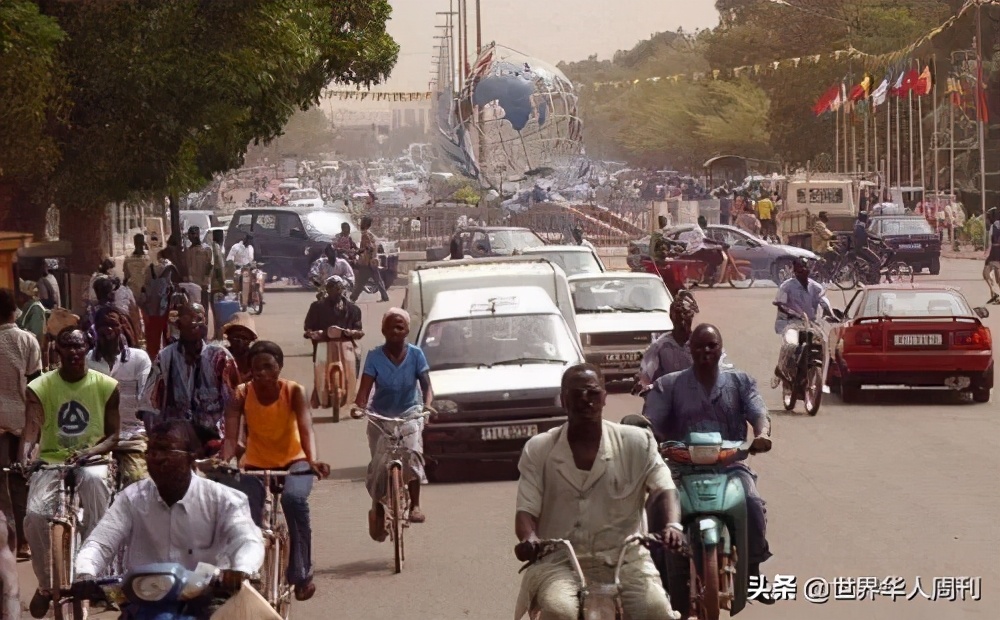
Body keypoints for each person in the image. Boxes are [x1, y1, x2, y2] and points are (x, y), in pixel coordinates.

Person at [513, 364, 685, 620]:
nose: (585, 400)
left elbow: (663, 488)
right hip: (561, 562)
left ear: (604, 397)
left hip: (627, 559)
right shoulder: (539, 449)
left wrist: (673, 525)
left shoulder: (636, 442)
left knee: (656, 609)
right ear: (563, 399)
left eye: (593, 393)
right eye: (576, 393)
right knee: (559, 611)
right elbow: (526, 510)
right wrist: (530, 539)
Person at [75, 419, 264, 618]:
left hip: (208, 603)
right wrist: (86, 573)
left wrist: (240, 570)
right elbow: (100, 543)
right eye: (151, 451)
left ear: (192, 457)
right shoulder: (131, 499)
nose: (156, 458)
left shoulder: (224, 500)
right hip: (144, 602)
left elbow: (247, 540)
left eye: (166, 450)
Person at [641, 324, 774, 597]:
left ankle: (753, 572)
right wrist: (647, 438)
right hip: (680, 468)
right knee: (656, 508)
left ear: (720, 349)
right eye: (700, 346)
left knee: (752, 503)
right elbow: (650, 422)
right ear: (690, 350)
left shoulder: (740, 382)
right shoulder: (669, 385)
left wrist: (762, 434)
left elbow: (758, 412)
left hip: (730, 465)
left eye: (712, 346)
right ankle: (654, 576)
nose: (706, 351)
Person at [22, 327, 120, 618]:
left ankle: (93, 571)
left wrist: (92, 452)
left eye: (79, 346)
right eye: (68, 347)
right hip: (52, 461)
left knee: (94, 486)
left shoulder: (106, 385)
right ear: (58, 350)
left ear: (88, 347)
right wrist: (26, 457)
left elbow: (114, 436)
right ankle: (44, 586)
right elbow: (31, 431)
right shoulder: (40, 386)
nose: (74, 352)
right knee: (35, 516)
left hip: (92, 461)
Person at [221, 342, 330, 602]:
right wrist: (224, 461)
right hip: (256, 464)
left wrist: (313, 460)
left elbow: (306, 427)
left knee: (294, 501)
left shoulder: (293, 391)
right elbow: (231, 435)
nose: (261, 373)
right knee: (245, 512)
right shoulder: (240, 394)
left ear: (279, 368)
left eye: (268, 367)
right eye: (256, 368)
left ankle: (302, 573)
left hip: (296, 462)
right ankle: (248, 568)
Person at [351, 308, 432, 538]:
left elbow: (427, 387)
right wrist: (359, 408)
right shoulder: (375, 357)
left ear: (407, 330)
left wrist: (426, 407)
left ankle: (415, 505)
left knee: (413, 452)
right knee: (378, 462)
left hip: (410, 411)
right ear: (383, 330)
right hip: (381, 415)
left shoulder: (416, 355)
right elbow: (364, 392)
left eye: (400, 327)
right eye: (391, 327)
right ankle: (377, 504)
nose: (396, 331)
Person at [139, 303, 239, 450]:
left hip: (214, 440)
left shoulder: (219, 357)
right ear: (178, 324)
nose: (194, 323)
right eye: (188, 318)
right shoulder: (166, 357)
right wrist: (157, 439)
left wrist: (226, 440)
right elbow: (150, 405)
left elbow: (233, 403)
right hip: (177, 440)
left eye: (199, 319)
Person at [86, 306, 152, 487]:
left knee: (138, 481)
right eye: (102, 325)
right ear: (95, 329)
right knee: (92, 481)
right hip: (97, 438)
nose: (107, 329)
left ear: (121, 327)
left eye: (112, 324)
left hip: (132, 436)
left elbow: (146, 400)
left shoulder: (139, 358)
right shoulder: (87, 361)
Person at [0, 289, 42, 561]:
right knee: (21, 482)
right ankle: (25, 541)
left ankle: (8, 541)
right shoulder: (28, 340)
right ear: (15, 311)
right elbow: (36, 385)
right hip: (22, 422)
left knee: (1, 486)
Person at [772, 257, 835, 384]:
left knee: (824, 343)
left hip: (811, 323)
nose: (802, 271)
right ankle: (781, 370)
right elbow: (781, 304)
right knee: (790, 345)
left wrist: (830, 312)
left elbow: (823, 301)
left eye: (804, 268)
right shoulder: (786, 286)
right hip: (791, 322)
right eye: (798, 269)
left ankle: (825, 376)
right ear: (794, 271)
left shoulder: (816, 287)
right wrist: (794, 313)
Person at [304, 276, 363, 405]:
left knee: (357, 357)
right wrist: (311, 333)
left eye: (337, 288)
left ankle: (354, 387)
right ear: (326, 289)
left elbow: (358, 328)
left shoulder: (353, 309)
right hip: (323, 342)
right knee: (319, 362)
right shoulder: (316, 307)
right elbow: (308, 326)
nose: (334, 291)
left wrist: (354, 332)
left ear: (342, 289)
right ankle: (317, 389)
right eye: (330, 288)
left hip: (345, 341)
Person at [637, 290, 699, 389]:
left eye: (686, 319)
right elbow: (646, 375)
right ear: (672, 318)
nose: (683, 324)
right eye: (679, 318)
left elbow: (721, 370)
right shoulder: (660, 346)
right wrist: (645, 385)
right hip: (667, 398)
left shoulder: (702, 344)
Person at [140, 251, 180, 360]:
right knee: (163, 334)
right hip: (160, 307)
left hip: (153, 307)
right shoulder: (168, 268)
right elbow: (175, 275)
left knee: (155, 336)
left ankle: (155, 358)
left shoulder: (150, 269)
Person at [349, 216, 389, 303]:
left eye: (363, 222)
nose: (361, 224)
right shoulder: (370, 234)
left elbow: (369, 247)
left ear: (365, 224)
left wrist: (359, 251)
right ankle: (385, 297)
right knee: (378, 280)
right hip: (372, 261)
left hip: (366, 262)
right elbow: (374, 246)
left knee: (361, 282)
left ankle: (353, 298)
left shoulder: (365, 235)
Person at [677, 218, 726, 285]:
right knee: (715, 256)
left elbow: (703, 241)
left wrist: (716, 244)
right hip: (694, 250)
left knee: (714, 253)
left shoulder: (698, 229)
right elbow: (705, 240)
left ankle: (709, 274)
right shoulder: (697, 230)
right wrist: (719, 243)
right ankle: (708, 275)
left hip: (696, 249)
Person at [223, 312, 258, 384]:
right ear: (228, 337)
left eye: (244, 338)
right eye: (236, 337)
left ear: (251, 339)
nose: (240, 341)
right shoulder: (221, 356)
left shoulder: (255, 358)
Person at [184, 226, 214, 311]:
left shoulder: (206, 249)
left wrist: (206, 280)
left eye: (193, 234)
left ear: (198, 234)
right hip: (192, 284)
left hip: (203, 283)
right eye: (190, 235)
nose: (191, 237)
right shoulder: (188, 251)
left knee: (204, 305)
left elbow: (209, 265)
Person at [15, 280, 46, 349]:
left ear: (26, 295)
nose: (19, 297)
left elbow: (36, 336)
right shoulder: (28, 308)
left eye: (21, 294)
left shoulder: (35, 309)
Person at [122, 233, 151, 303]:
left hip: (133, 293)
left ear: (134, 243)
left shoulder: (128, 260)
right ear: (143, 243)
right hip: (146, 293)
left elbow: (126, 277)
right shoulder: (148, 259)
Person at [209, 230, 228, 340]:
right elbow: (219, 267)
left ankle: (217, 334)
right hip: (216, 285)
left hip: (211, 284)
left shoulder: (211, 246)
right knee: (218, 312)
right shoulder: (216, 248)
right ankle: (218, 335)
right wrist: (223, 284)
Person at [984, 208, 1000, 304]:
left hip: (995, 251)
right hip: (995, 251)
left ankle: (994, 293)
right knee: (996, 273)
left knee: (987, 272)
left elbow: (990, 241)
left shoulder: (994, 226)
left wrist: (987, 251)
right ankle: (995, 294)